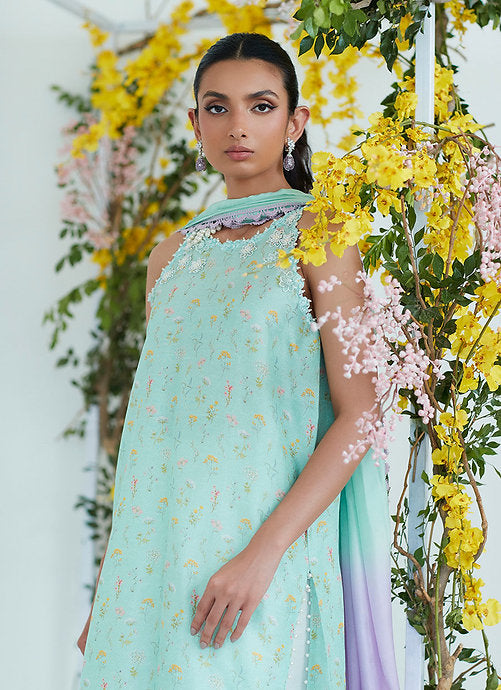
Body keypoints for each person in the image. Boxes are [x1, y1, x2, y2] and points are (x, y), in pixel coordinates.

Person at [77, 32, 400, 689]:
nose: (238, 126)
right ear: (195, 123)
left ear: (295, 121)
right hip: (154, 562)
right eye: (217, 108)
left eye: (261, 106)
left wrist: (264, 554)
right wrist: (116, 576)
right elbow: (154, 428)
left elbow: (360, 416)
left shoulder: (321, 235)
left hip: (259, 560)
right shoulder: (170, 257)